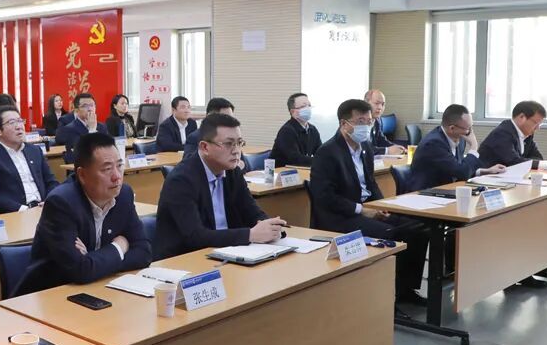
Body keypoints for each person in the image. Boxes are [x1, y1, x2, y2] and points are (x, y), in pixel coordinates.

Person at [309, 99, 431, 305]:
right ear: (344, 124)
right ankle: (384, 297)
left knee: (418, 227)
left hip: (367, 208)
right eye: (360, 121)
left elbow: (371, 183)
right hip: (341, 215)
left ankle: (405, 289)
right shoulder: (327, 152)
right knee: (390, 233)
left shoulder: (364, 146)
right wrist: (362, 210)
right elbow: (325, 197)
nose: (366, 126)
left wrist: (381, 206)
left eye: (369, 121)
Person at [16, 133, 152, 295]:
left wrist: (95, 261)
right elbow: (80, 270)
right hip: (52, 294)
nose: (117, 176)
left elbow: (144, 253)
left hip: (98, 288)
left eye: (119, 166)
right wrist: (119, 248)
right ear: (82, 175)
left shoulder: (123, 194)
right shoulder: (62, 203)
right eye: (107, 169)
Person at [155, 113, 285, 260]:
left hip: (228, 252)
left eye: (239, 143)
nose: (236, 151)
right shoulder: (181, 180)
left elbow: (251, 211)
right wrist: (250, 234)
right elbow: (195, 236)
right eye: (229, 144)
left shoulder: (232, 172)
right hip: (186, 259)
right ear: (205, 147)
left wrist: (270, 226)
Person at [0, 105, 59, 214]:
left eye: (20, 121)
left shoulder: (35, 151)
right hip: (14, 213)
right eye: (12, 122)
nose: (19, 126)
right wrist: (23, 209)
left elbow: (51, 182)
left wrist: (48, 201)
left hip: (42, 209)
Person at [407, 104, 506, 192]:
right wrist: (474, 147)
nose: (470, 132)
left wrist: (484, 171)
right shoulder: (434, 143)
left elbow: (458, 168)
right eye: (468, 129)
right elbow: (462, 173)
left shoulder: (460, 139)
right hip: (425, 194)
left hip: (447, 191)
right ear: (452, 128)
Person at [478, 100, 547, 170]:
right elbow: (514, 162)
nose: (538, 128)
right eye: (535, 123)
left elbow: (537, 158)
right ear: (522, 117)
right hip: (485, 181)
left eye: (540, 124)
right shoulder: (502, 133)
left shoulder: (527, 134)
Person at [270, 92, 322, 167]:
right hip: (282, 171)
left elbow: (320, 152)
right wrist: (319, 161)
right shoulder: (287, 131)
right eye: (303, 106)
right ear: (292, 111)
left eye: (309, 105)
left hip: (300, 169)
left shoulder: (312, 129)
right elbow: (295, 159)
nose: (308, 109)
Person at [55, 92, 108, 163]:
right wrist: (92, 130)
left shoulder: (102, 127)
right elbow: (81, 155)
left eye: (92, 105)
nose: (90, 109)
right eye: (85, 106)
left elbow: (108, 149)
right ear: (76, 110)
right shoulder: (69, 130)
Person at [364, 89, 405, 155]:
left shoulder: (377, 121)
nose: (380, 107)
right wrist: (387, 151)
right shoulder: (359, 124)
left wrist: (397, 148)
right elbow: (364, 149)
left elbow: (382, 141)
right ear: (366, 104)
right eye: (376, 103)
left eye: (383, 104)